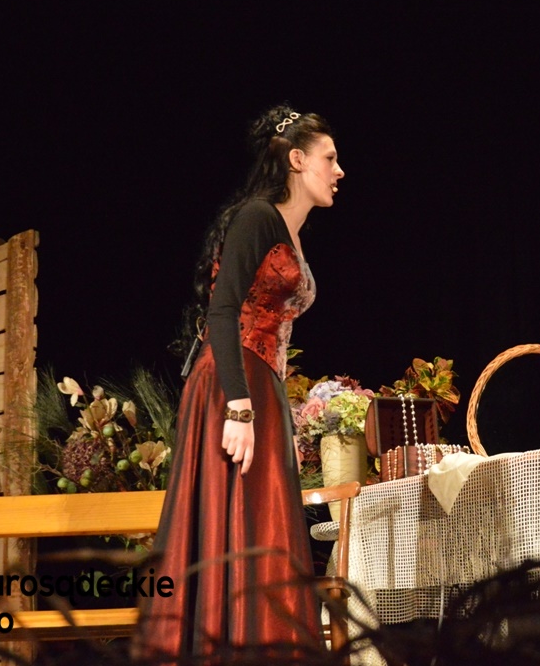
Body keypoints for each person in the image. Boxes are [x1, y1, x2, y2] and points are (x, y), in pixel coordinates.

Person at [133, 106, 345, 662]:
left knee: (262, 524)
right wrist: (240, 408)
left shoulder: (290, 231)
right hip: (234, 385)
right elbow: (222, 313)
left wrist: (266, 407)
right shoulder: (257, 217)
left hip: (261, 383)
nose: (338, 170)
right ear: (297, 161)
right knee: (238, 521)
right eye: (329, 158)